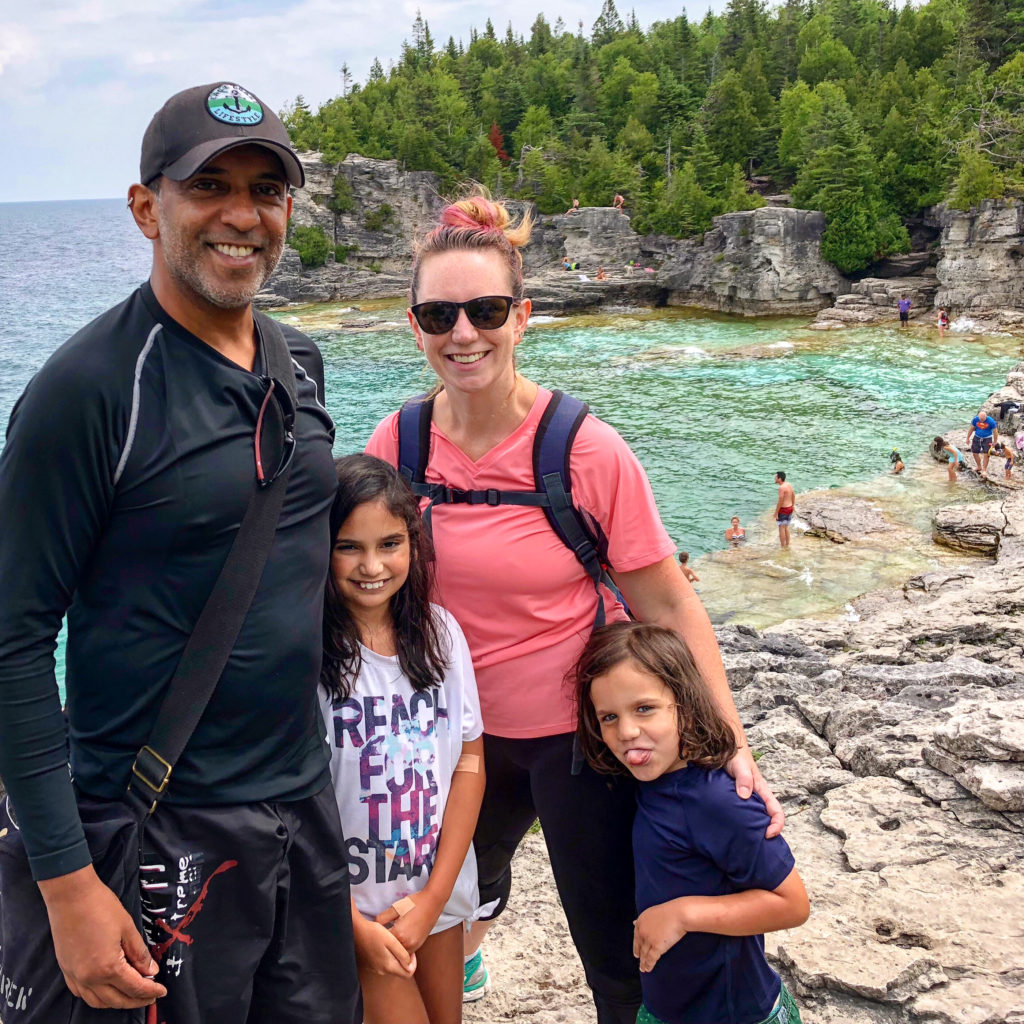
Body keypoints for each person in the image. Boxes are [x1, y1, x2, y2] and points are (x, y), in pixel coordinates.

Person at [365, 192, 783, 1022]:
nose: (463, 333)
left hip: (573, 740)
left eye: (485, 311)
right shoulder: (399, 444)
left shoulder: (583, 450)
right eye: (438, 314)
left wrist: (730, 742)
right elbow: (357, 585)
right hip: (449, 737)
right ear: (414, 325)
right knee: (430, 909)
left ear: (522, 317)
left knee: (613, 947)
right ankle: (473, 947)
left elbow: (665, 598)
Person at [0, 83, 359, 1022]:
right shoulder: (90, 391)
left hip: (303, 810)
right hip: (156, 830)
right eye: (211, 186)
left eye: (267, 191)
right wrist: (66, 884)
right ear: (146, 206)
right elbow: (12, 638)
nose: (243, 216)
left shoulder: (299, 362)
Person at [573, 623, 809, 1024]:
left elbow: (793, 904)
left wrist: (683, 914)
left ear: (685, 702)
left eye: (644, 708)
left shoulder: (719, 800)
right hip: (668, 1007)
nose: (627, 732)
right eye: (609, 717)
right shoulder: (651, 781)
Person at [320, 455, 486, 1024]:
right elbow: (290, 806)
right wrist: (349, 923)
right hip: (355, 914)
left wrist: (435, 898)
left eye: (389, 543)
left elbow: (469, 761)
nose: (372, 565)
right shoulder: (306, 656)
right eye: (348, 546)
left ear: (414, 543)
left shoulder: (441, 634)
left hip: (433, 895)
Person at [967, 407, 999, 474]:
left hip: (987, 438)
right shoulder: (975, 419)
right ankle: (979, 466)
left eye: (983, 420)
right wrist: (967, 438)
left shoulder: (991, 421)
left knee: (986, 454)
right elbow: (972, 429)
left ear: (986, 417)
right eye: (980, 419)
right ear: (978, 417)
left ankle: (984, 469)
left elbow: (995, 432)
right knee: (975, 453)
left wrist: (995, 442)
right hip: (977, 437)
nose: (981, 421)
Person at [774, 471, 795, 549]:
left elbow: (780, 500)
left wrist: (776, 513)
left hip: (783, 510)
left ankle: (783, 547)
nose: (774, 478)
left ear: (779, 478)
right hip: (789, 508)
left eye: (776, 477)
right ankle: (787, 544)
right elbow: (793, 494)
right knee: (786, 527)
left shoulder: (781, 487)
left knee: (781, 528)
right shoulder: (789, 484)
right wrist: (793, 505)